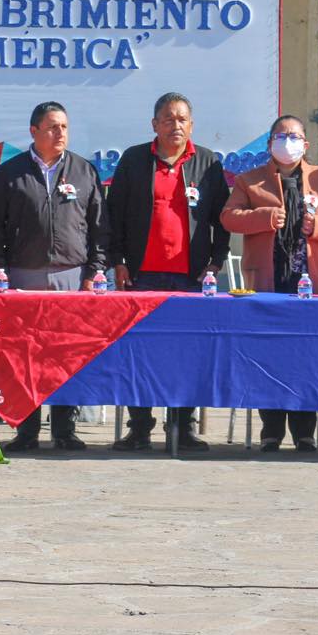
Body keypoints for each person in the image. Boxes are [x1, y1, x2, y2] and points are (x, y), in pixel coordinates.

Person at [106, 92, 230, 452]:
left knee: (185, 354)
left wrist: (216, 260)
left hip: (189, 277)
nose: (175, 125)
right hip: (141, 275)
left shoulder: (207, 163)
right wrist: (118, 260)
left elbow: (220, 220)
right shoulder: (133, 160)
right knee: (138, 352)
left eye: (182, 119)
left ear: (191, 125)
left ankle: (182, 427)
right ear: (154, 125)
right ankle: (140, 427)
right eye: (168, 118)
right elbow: (114, 215)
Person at [0, 101, 108, 453]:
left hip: (72, 275)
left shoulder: (83, 171)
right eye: (53, 127)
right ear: (34, 131)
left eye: (64, 127)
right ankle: (26, 429)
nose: (60, 133)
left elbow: (99, 226)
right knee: (25, 355)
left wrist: (94, 271)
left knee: (66, 354)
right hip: (24, 274)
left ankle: (65, 429)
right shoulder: (11, 173)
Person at [221, 115, 318, 452]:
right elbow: (228, 217)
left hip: (311, 283)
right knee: (268, 355)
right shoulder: (250, 181)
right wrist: (263, 218)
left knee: (309, 356)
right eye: (281, 136)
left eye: (294, 136)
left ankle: (305, 429)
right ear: (269, 144)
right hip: (268, 281)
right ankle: (271, 429)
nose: (288, 142)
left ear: (305, 145)